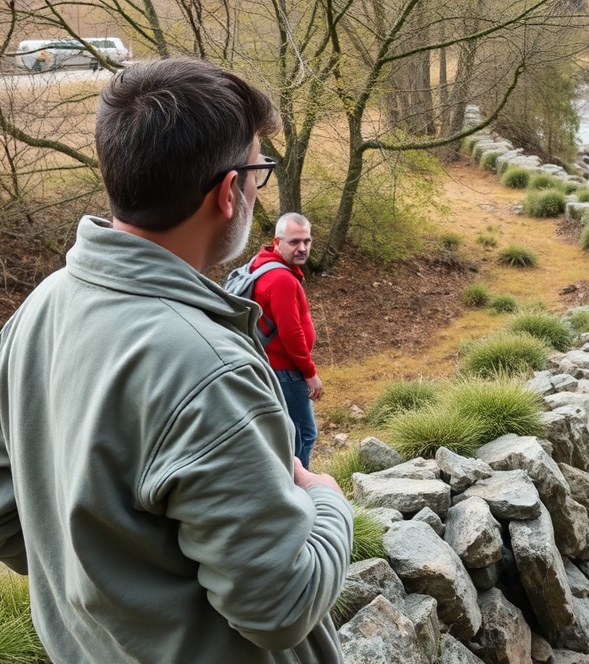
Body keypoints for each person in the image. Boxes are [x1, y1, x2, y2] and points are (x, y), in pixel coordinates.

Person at [0, 58, 354, 663]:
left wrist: (111, 583)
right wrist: (329, 504)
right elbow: (281, 606)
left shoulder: (38, 310)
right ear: (227, 194)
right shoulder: (206, 370)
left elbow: (10, 514)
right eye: (257, 171)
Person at [250, 213, 322, 467]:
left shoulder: (263, 262)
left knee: (286, 434)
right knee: (302, 435)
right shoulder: (281, 279)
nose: (302, 248)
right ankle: (299, 492)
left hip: (273, 366)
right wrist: (309, 372)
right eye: (294, 242)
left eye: (307, 241)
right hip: (286, 371)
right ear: (278, 242)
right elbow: (291, 332)